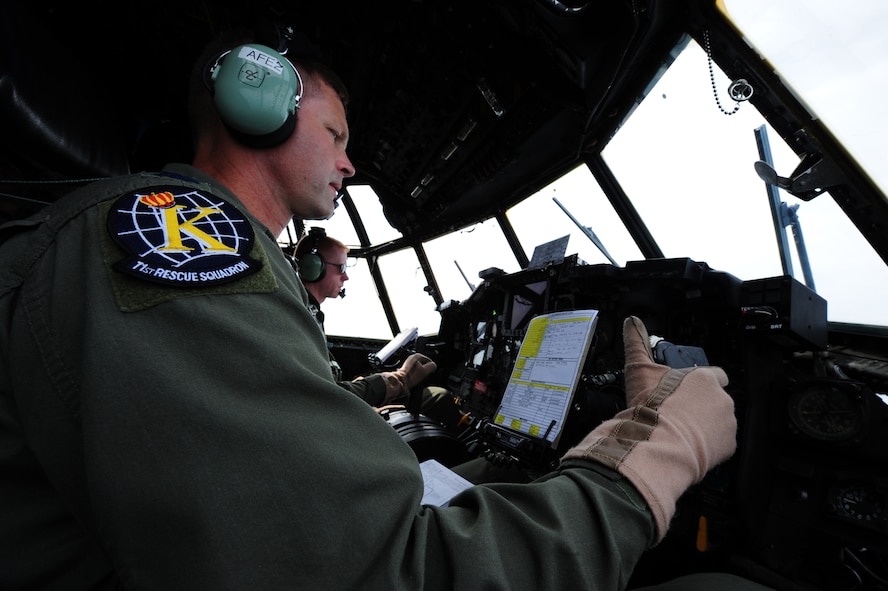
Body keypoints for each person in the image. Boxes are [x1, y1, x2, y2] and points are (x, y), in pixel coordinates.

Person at [0, 30, 762, 590]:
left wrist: (393, 387)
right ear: (256, 103)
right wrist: (654, 453)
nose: (348, 161)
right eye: (335, 134)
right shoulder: (179, 247)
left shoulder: (193, 246)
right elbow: (388, 572)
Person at [291, 227, 468, 432]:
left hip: (329, 413)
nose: (346, 277)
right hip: (327, 423)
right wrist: (400, 379)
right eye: (341, 268)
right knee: (439, 397)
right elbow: (324, 395)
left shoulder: (308, 312)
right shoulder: (300, 317)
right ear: (312, 267)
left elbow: (329, 384)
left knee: (434, 396)